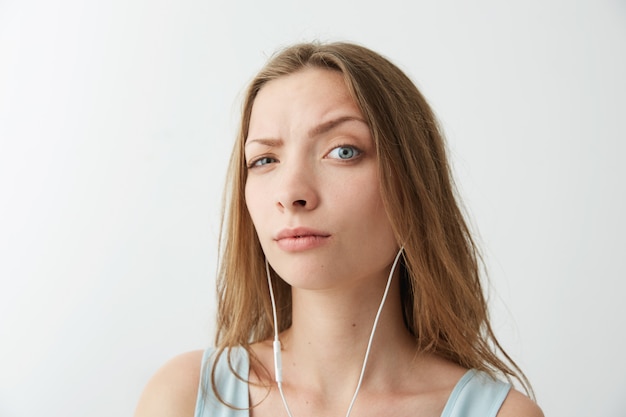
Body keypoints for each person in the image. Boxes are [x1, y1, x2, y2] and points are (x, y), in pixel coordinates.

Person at [134, 41, 544, 417]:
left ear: (414, 183)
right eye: (264, 160)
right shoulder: (185, 396)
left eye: (343, 151)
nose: (291, 193)